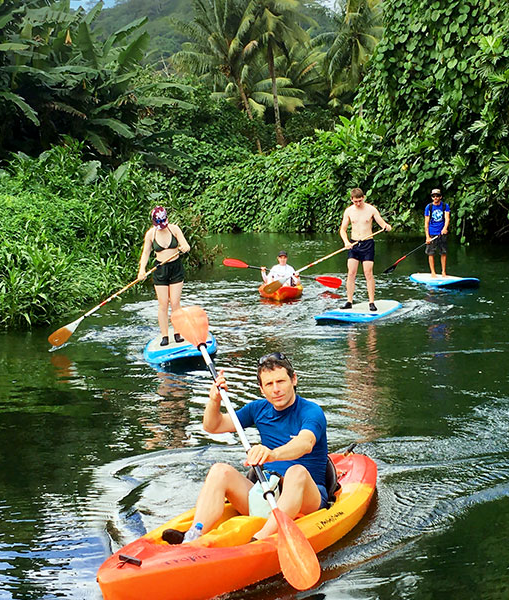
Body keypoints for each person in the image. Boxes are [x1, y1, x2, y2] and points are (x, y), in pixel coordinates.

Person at [176, 353, 333, 544]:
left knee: (296, 472)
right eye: (269, 384)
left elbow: (305, 443)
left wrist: (273, 454)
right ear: (261, 389)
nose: (276, 389)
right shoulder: (258, 409)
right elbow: (213, 426)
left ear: (293, 379)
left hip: (307, 498)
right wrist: (214, 401)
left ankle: (259, 540)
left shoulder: (311, 411)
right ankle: (193, 535)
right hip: (268, 491)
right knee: (219, 471)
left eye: (281, 381)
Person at [137, 206, 192, 347]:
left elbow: (185, 245)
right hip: (160, 270)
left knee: (175, 302)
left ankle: (177, 332)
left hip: (176, 269)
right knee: (163, 304)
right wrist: (142, 270)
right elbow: (145, 253)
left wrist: (185, 248)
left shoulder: (174, 229)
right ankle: (165, 336)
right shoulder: (151, 234)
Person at [338, 188, 392, 310]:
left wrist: (386, 227)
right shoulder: (349, 211)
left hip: (368, 244)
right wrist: (346, 242)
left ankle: (371, 302)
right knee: (351, 273)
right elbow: (343, 230)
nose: (358, 203)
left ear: (363, 198)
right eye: (355, 201)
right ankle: (349, 302)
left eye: (360, 201)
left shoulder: (371, 209)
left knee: (368, 273)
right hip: (354, 244)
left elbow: (382, 224)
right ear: (351, 199)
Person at [423, 188, 451, 276]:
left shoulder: (445, 206)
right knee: (431, 253)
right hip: (432, 233)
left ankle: (443, 272)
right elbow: (426, 223)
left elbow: (447, 218)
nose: (435, 198)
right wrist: (427, 236)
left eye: (437, 196)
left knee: (443, 252)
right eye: (433, 196)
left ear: (440, 197)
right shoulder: (429, 207)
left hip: (442, 233)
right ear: (432, 197)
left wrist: (445, 228)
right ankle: (433, 272)